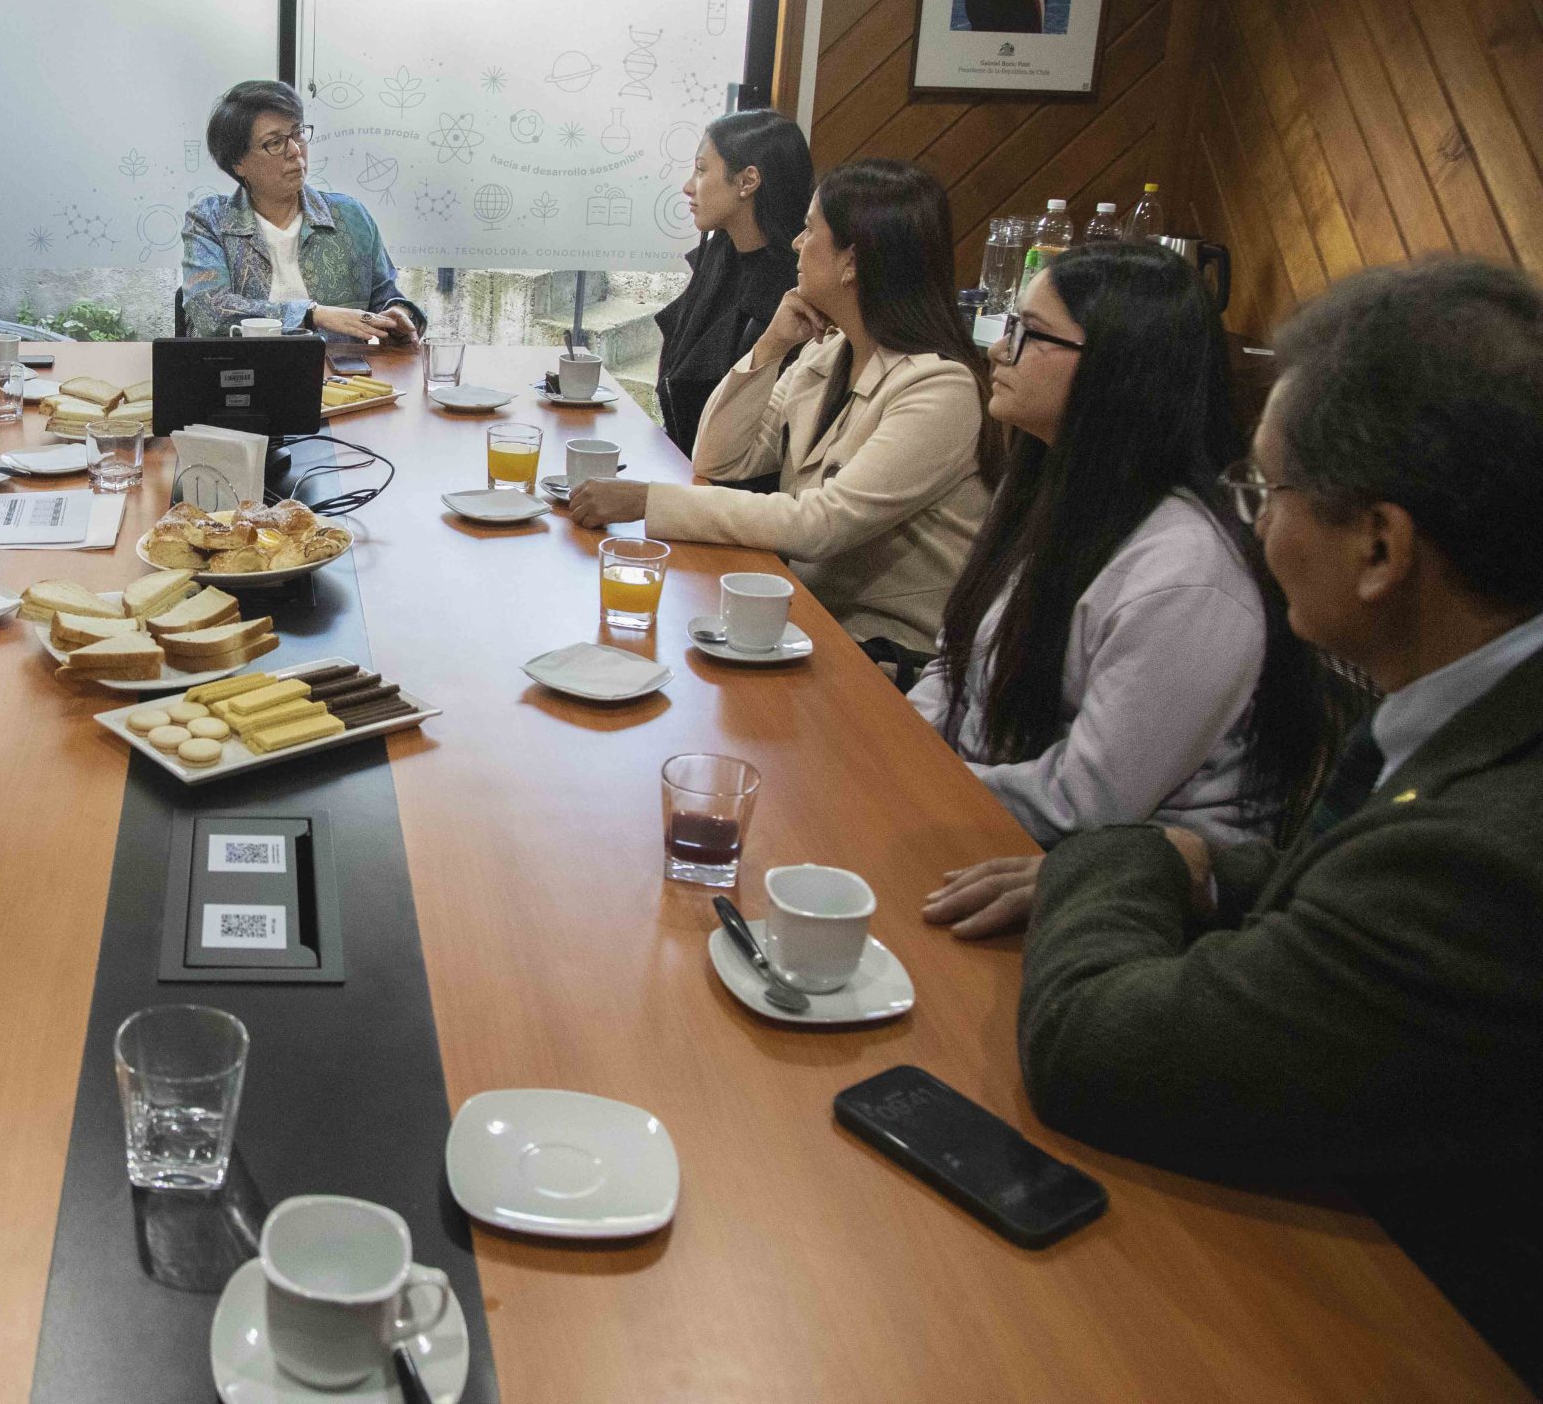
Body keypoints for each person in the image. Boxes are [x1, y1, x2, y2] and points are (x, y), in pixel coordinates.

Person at [999, 259, 1543, 1383]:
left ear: (1381, 547)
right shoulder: (1468, 708)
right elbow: (1339, 894)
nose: (1253, 526)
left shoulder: (1481, 861)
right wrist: (1209, 861)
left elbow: (1089, 1046)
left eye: (1267, 490)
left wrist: (1133, 849)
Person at [905, 243, 1341, 882]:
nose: (999, 348)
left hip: (1116, 891)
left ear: (1119, 368)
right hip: (992, 829)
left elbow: (1086, 803)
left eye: (1030, 332)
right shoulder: (1048, 487)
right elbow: (954, 661)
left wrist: (919, 782)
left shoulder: (1190, 572)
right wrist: (901, 753)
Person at [571, 159, 995, 661]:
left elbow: (819, 524)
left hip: (890, 655)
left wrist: (647, 501)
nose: (796, 243)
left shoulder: (939, 388)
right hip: (811, 621)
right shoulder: (828, 350)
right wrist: (771, 346)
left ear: (852, 261)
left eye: (810, 230)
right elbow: (720, 459)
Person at [180, 79, 424, 342]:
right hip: (244, 367)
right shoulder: (211, 221)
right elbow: (210, 312)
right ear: (238, 163)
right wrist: (313, 314)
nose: (295, 150)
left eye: (298, 133)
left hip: (337, 369)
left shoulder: (350, 216)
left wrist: (399, 316)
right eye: (275, 142)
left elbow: (386, 297)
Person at [650, 109, 813, 455]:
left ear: (747, 181)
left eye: (701, 170)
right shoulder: (719, 254)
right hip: (681, 457)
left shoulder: (791, 288)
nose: (688, 187)